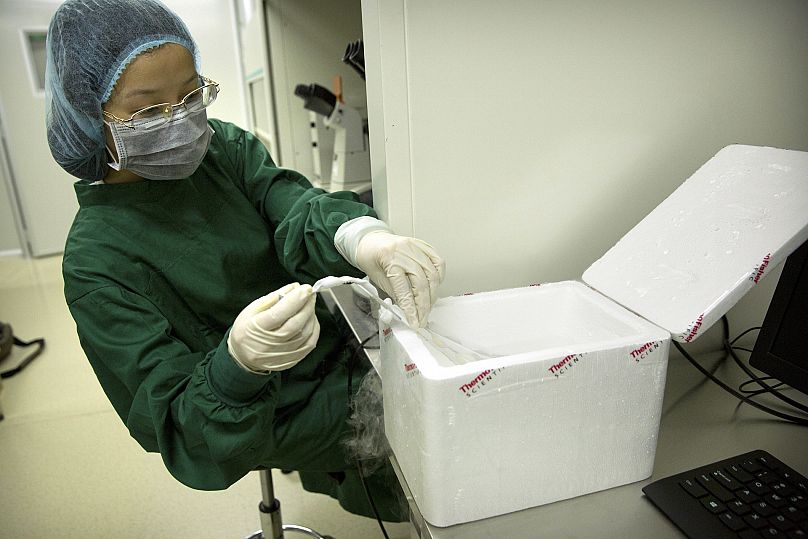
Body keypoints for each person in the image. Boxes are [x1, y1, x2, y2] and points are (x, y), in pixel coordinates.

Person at [45, 0, 444, 521]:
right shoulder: (95, 263)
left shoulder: (221, 150)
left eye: (190, 95)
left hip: (332, 347)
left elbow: (289, 205)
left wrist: (358, 235)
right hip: (262, 413)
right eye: (147, 110)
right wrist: (240, 365)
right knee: (420, 448)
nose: (180, 120)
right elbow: (180, 426)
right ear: (87, 116)